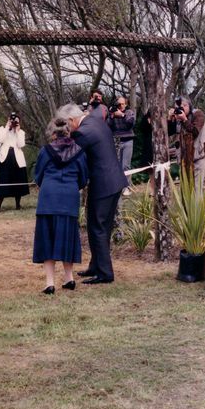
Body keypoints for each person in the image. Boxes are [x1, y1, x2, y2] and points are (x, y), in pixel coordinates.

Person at [56, 103, 128, 285]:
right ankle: (96, 265)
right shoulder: (96, 121)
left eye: (67, 124)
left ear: (72, 120)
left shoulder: (83, 132)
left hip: (104, 183)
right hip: (113, 180)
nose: (67, 128)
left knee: (99, 228)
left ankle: (105, 273)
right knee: (95, 225)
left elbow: (67, 156)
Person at [33, 118, 88, 294]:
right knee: (68, 237)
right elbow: (83, 178)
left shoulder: (45, 151)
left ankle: (50, 283)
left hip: (49, 196)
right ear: (69, 131)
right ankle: (69, 278)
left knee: (47, 238)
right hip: (69, 196)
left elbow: (38, 176)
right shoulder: (79, 152)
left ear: (53, 133)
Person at [167, 96, 205, 188]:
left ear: (189, 106)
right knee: (185, 191)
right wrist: (170, 118)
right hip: (184, 160)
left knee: (196, 192)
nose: (182, 108)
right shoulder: (178, 119)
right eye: (179, 107)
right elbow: (168, 132)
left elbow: (194, 132)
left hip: (197, 158)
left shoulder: (198, 114)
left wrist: (184, 119)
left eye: (184, 105)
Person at [0, 112, 29, 213]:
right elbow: (0, 139)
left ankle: (18, 205)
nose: (13, 122)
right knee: (2, 181)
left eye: (15, 120)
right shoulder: (1, 129)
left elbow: (21, 144)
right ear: (8, 119)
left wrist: (17, 131)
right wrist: (7, 127)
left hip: (17, 159)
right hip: (5, 158)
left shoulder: (21, 132)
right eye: (12, 120)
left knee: (18, 180)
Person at [107, 96, 135, 196]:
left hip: (128, 141)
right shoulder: (113, 113)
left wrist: (122, 115)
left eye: (122, 104)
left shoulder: (129, 112)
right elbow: (108, 126)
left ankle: (127, 187)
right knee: (117, 165)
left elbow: (130, 124)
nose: (120, 106)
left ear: (125, 104)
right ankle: (118, 186)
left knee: (125, 165)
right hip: (117, 141)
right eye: (119, 104)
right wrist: (112, 116)